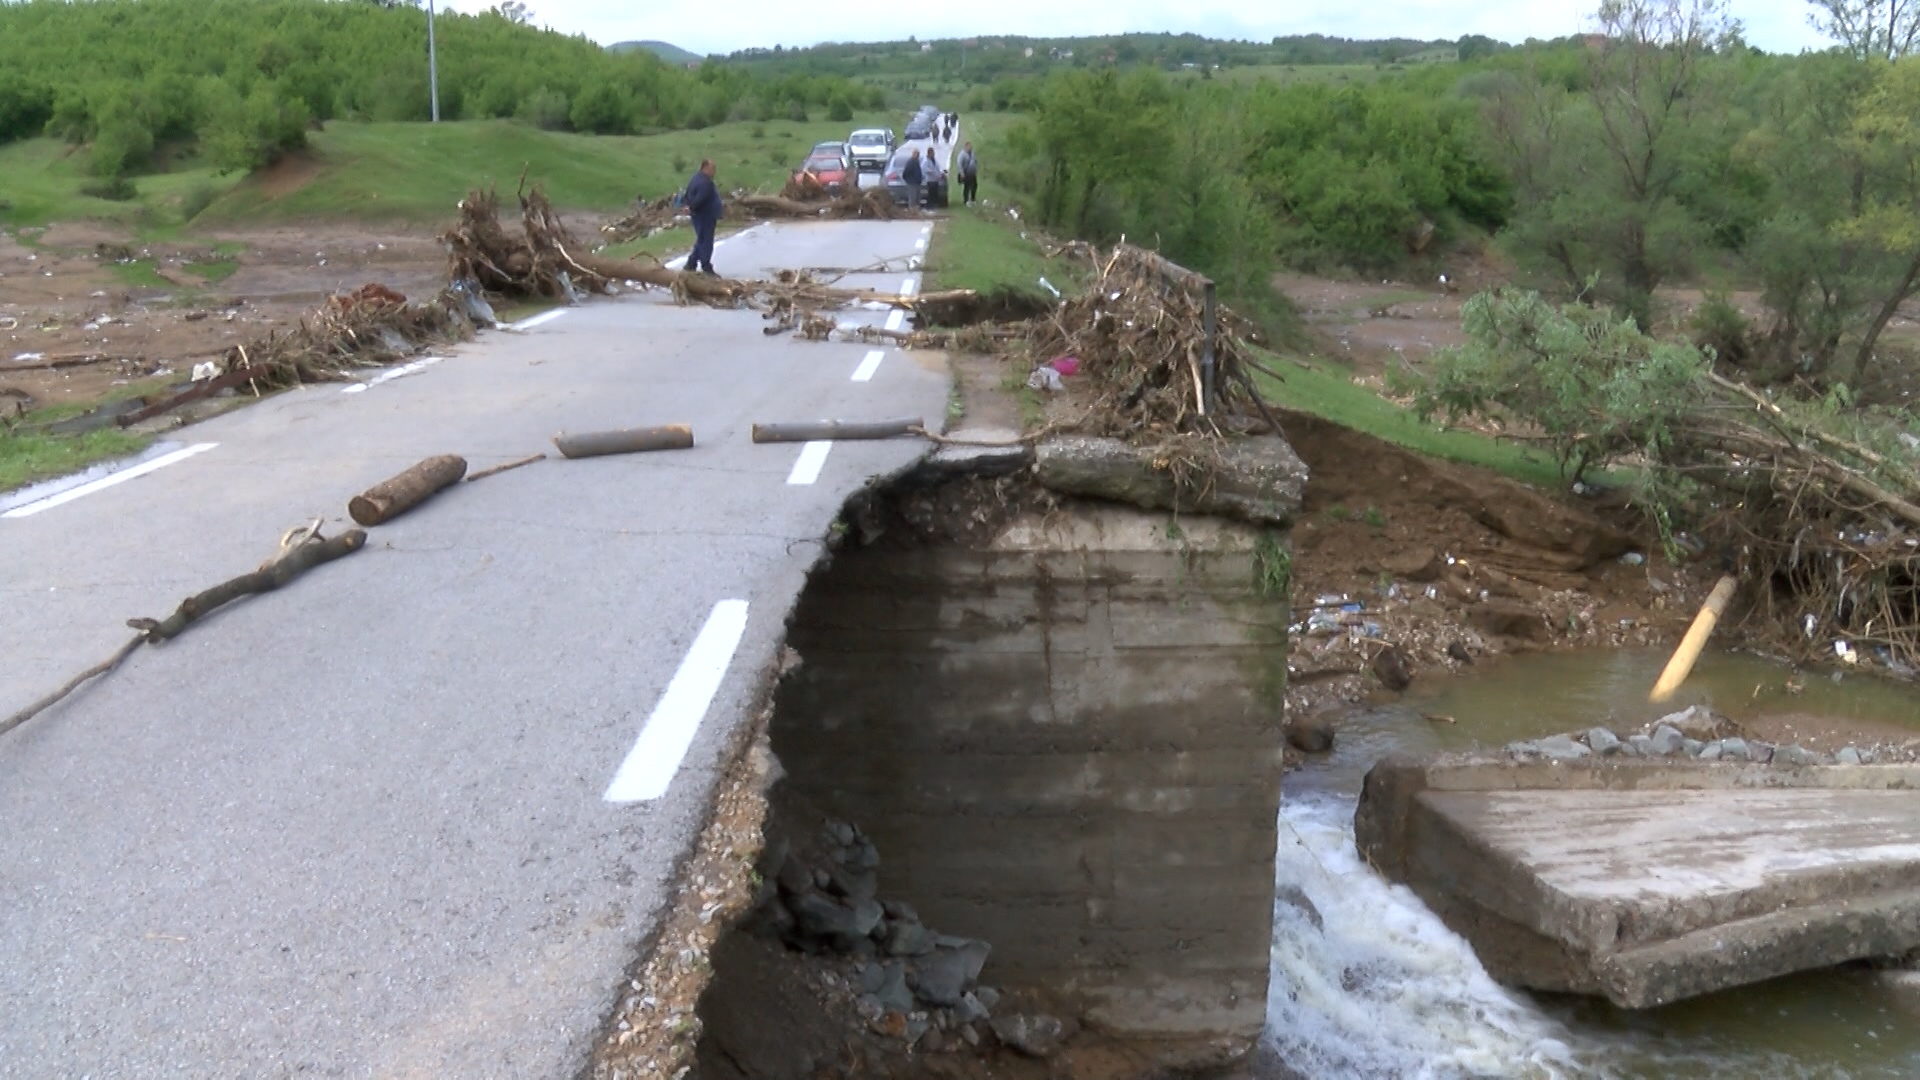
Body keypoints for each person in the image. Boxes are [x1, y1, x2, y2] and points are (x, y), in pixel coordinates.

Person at [681, 158, 722, 275]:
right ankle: (706, 266)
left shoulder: (695, 178)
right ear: (705, 168)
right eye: (712, 169)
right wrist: (691, 207)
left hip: (697, 215)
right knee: (706, 241)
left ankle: (691, 263)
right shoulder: (706, 183)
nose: (714, 171)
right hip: (705, 216)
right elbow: (701, 198)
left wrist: (687, 205)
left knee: (701, 239)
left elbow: (687, 194)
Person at [957, 141, 979, 206]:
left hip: (972, 173)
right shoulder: (962, 154)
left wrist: (976, 168)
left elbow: (975, 161)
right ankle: (966, 200)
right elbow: (959, 164)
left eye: (971, 146)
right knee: (967, 187)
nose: (970, 147)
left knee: (974, 185)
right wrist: (962, 173)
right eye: (969, 146)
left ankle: (973, 199)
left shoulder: (972, 153)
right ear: (966, 147)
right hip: (966, 173)